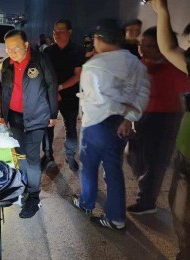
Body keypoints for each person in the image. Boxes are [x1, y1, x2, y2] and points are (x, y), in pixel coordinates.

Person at [72, 19, 150, 231]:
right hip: (120, 125)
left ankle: (86, 203)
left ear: (100, 39)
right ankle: (116, 219)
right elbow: (143, 93)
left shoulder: (94, 65)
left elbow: (95, 99)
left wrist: (117, 107)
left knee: (88, 168)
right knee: (114, 170)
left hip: (96, 124)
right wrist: (129, 116)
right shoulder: (135, 63)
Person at [127, 26, 190, 215]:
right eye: (141, 44)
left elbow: (184, 90)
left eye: (150, 46)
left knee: (156, 161)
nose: (143, 49)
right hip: (143, 115)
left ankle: (147, 202)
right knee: (132, 153)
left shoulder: (176, 69)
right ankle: (146, 183)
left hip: (165, 118)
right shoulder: (142, 64)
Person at [0, 29, 58, 218]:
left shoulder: (40, 60)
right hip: (14, 117)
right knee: (20, 156)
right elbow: (4, 90)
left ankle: (34, 197)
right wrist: (3, 114)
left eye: (15, 48)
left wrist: (52, 113)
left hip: (36, 117)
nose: (12, 52)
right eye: (8, 49)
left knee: (32, 159)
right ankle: (24, 186)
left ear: (26, 45)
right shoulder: (7, 64)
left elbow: (51, 85)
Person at [149, 0, 190, 258]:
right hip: (185, 158)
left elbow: (168, 47)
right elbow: (169, 47)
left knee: (183, 217)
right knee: (180, 215)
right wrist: (162, 11)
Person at [43, 19, 85, 172]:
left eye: (61, 31)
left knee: (71, 127)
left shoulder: (78, 51)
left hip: (70, 95)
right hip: (51, 95)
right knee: (48, 126)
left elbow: (77, 75)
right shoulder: (48, 52)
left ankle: (70, 155)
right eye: (55, 31)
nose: (56, 34)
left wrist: (59, 89)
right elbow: (45, 75)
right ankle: (48, 156)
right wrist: (52, 92)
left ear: (69, 32)